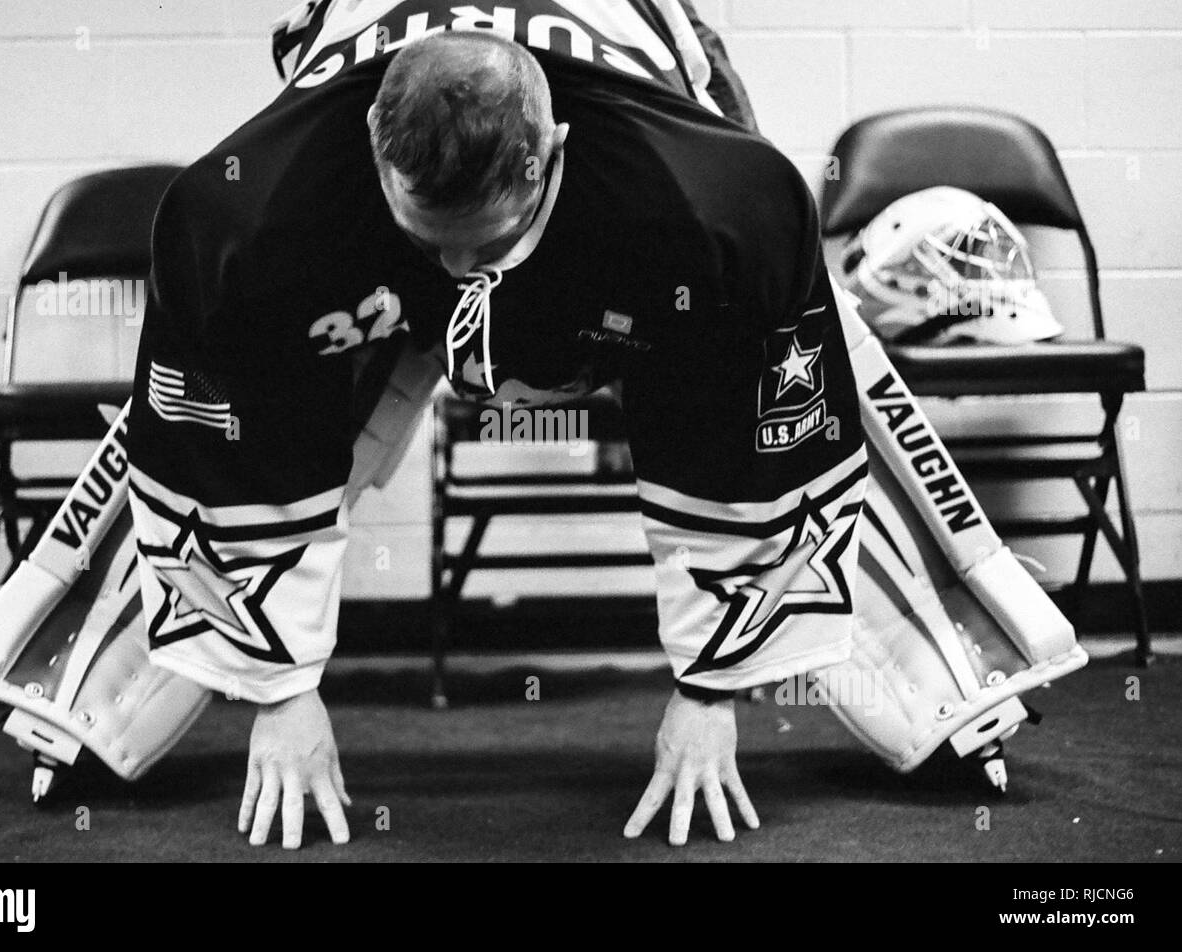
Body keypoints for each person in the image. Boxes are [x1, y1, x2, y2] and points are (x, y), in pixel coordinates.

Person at [126, 0, 868, 849]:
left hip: (640, 89)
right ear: (372, 134)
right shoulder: (234, 214)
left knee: (750, 331)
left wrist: (714, 690)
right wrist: (277, 690)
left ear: (552, 149)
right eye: (429, 240)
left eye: (486, 245)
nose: (455, 270)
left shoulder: (724, 201)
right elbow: (215, 431)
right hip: (359, 180)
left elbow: (757, 426)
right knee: (241, 338)